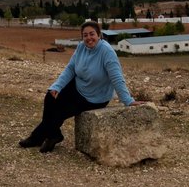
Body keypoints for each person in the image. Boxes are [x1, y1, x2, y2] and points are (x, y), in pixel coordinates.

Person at [19, 21, 140, 153]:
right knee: (50, 97)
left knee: (59, 112)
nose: (89, 38)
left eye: (92, 34)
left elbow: (117, 78)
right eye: (85, 35)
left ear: (99, 35)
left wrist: (128, 100)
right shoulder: (82, 47)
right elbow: (70, 68)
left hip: (95, 97)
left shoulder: (107, 52)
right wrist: (57, 86)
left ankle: (38, 137)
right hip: (78, 86)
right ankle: (52, 135)